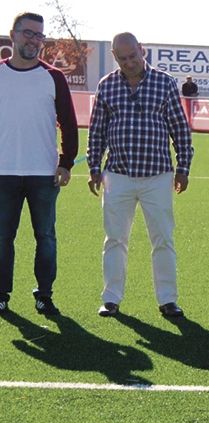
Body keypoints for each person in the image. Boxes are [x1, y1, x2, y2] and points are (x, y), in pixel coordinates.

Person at [87, 32, 194, 318]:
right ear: (114, 57)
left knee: (163, 239)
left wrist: (183, 167)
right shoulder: (106, 86)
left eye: (133, 55)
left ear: (142, 50)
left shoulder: (165, 83)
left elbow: (180, 129)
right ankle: (111, 299)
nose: (129, 62)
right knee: (114, 239)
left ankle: (167, 300)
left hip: (157, 175)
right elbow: (96, 131)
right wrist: (94, 168)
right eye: (123, 58)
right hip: (117, 175)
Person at [0, 12, 78, 316]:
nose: (34, 40)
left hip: (43, 174)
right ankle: (2, 294)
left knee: (45, 237)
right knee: (3, 238)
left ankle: (44, 295)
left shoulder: (53, 77)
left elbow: (69, 124)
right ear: (14, 35)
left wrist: (66, 162)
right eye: (29, 33)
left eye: (39, 36)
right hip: (3, 173)